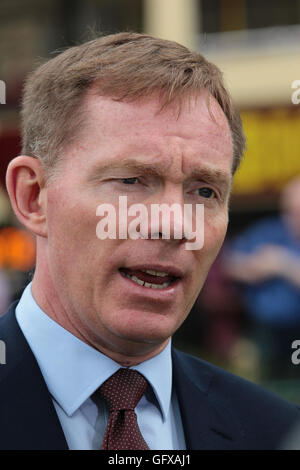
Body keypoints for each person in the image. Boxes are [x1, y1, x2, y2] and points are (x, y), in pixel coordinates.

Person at [0, 32, 299, 451]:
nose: (175, 224)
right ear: (33, 197)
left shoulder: (275, 433)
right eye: (132, 180)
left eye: (204, 191)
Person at [225, 178, 300, 380]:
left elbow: (282, 265)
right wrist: (252, 267)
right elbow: (229, 262)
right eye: (290, 211)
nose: (294, 218)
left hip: (296, 333)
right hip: (263, 329)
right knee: (256, 382)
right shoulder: (269, 231)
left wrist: (283, 265)